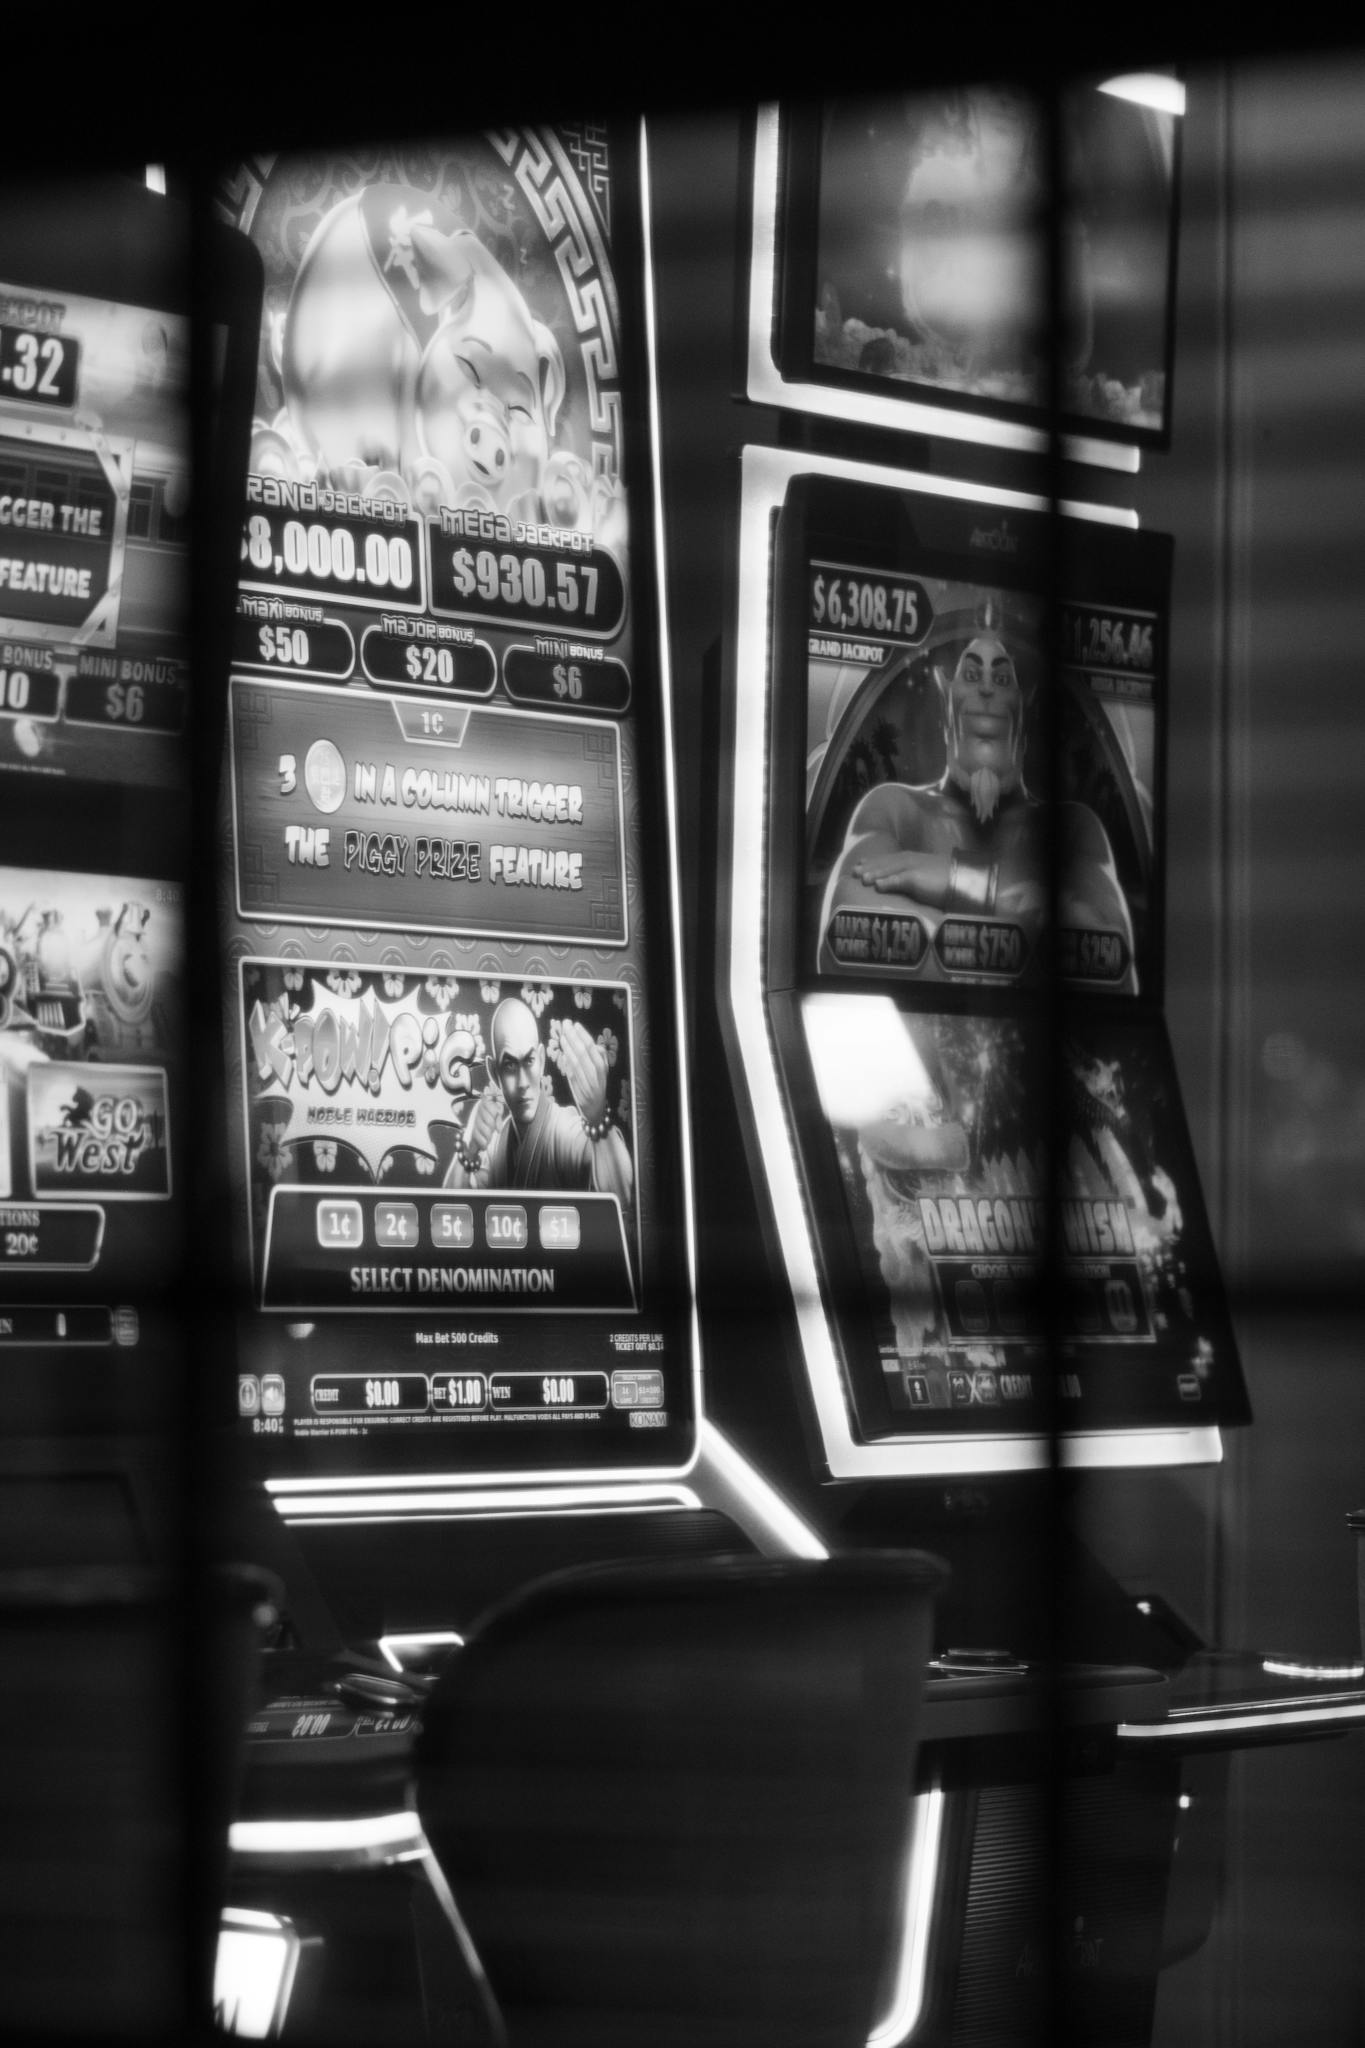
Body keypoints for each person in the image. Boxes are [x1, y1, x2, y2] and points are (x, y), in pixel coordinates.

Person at [818, 612, 1135, 988]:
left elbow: (1110, 960)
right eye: (971, 675)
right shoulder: (894, 808)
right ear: (945, 714)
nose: (987, 689)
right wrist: (1024, 926)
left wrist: (958, 881)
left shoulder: (1074, 826)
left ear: (1023, 717)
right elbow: (843, 930)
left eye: (1002, 679)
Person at [444, 996, 632, 1205]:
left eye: (529, 1061)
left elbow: (621, 1195)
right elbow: (447, 1213)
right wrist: (468, 1150)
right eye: (510, 1065)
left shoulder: (563, 1130)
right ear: (494, 1073)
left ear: (541, 1060)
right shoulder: (495, 1144)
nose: (523, 1082)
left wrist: (596, 1118)